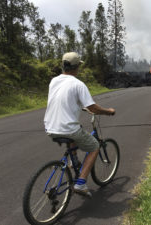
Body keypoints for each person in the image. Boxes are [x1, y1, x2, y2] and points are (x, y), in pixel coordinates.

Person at [44, 52, 115, 197]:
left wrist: (81, 107)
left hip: (50, 127)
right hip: (68, 129)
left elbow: (64, 101)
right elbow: (93, 108)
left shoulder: (54, 81)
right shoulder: (78, 84)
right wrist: (108, 111)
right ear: (77, 67)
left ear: (63, 65)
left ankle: (74, 162)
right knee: (95, 146)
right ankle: (81, 183)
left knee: (76, 133)